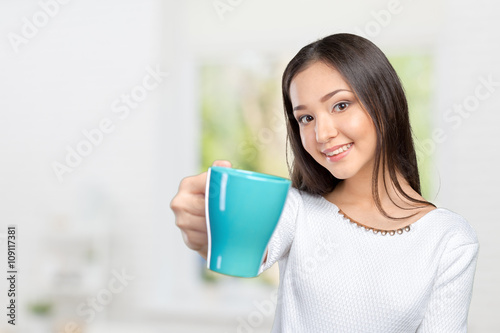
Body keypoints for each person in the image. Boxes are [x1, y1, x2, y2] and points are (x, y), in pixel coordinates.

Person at [170, 33, 479, 332]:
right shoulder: (294, 210)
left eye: (340, 105)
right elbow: (242, 247)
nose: (322, 133)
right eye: (306, 118)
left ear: (385, 103)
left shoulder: (449, 239)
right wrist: (203, 227)